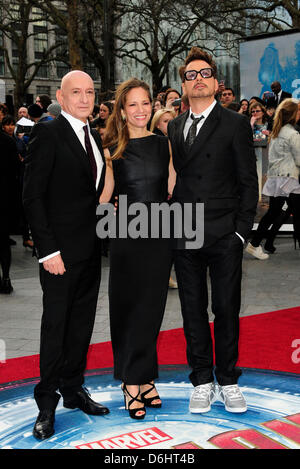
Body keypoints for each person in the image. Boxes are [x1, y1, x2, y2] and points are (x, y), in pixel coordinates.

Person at [168, 47, 258, 414]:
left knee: (226, 308)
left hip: (224, 233)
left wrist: (241, 232)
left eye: (205, 73)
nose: (198, 79)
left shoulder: (235, 124)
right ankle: (202, 380)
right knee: (192, 310)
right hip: (185, 232)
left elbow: (248, 182)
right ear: (184, 85)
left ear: (216, 82)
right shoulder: (174, 126)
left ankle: (229, 379)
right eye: (191, 75)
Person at [23, 70, 109, 440]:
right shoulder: (48, 132)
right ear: (61, 95)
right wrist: (47, 251)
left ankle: (73, 390)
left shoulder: (95, 135)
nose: (85, 98)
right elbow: (32, 196)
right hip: (59, 255)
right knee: (56, 328)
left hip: (90, 251)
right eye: (77, 92)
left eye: (90, 92)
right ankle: (46, 403)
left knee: (80, 326)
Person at [100, 78, 173, 419]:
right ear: (122, 110)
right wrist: (102, 214)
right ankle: (131, 380)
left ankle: (143, 376)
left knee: (151, 309)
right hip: (126, 237)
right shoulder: (112, 146)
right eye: (133, 104)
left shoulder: (163, 145)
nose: (141, 110)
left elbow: (172, 188)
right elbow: (104, 195)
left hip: (159, 236)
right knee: (127, 308)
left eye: (146, 103)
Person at [246, 99, 300, 258]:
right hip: (289, 179)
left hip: (278, 178)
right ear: (293, 114)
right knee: (284, 212)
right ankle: (256, 244)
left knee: (274, 212)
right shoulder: (292, 134)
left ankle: (255, 243)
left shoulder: (277, 132)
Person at [0, 126, 19, 294]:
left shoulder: (8, 141)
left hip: (4, 199)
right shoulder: (8, 141)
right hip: (4, 200)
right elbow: (16, 171)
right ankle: (6, 278)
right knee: (3, 241)